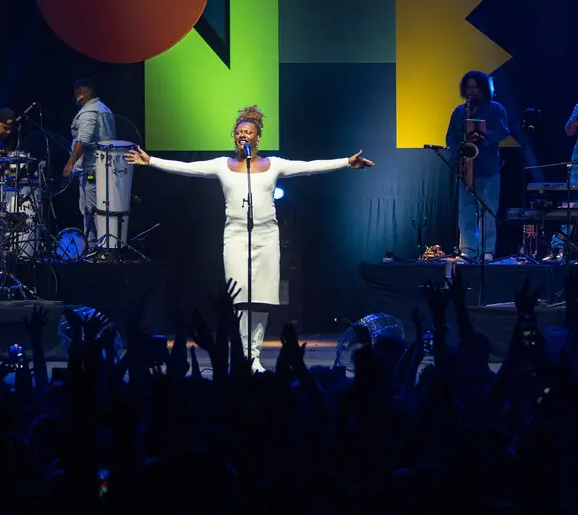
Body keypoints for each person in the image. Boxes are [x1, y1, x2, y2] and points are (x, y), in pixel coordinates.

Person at [124, 105, 374, 371]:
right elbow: (188, 168)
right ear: (235, 137)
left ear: (257, 138)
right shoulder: (222, 166)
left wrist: (346, 162)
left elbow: (309, 167)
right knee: (240, 297)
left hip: (266, 236)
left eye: (248, 132)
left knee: (262, 298)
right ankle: (242, 353)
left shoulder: (273, 165)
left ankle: (253, 354)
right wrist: (151, 161)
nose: (243, 135)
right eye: (239, 132)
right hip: (235, 235)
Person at [445, 71, 510, 262]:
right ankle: (468, 250)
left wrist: (485, 135)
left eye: (475, 87)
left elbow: (504, 131)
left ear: (484, 89)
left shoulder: (496, 109)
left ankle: (487, 250)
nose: (472, 91)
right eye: (469, 87)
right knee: (465, 210)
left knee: (488, 210)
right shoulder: (459, 111)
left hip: (488, 168)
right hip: (466, 168)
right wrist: (459, 154)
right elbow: (450, 137)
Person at [61, 78, 117, 240]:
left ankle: (97, 247)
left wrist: (70, 163)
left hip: (92, 169)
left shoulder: (89, 112)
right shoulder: (105, 109)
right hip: (105, 168)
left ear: (81, 95)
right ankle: (100, 246)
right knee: (101, 209)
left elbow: (84, 139)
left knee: (92, 209)